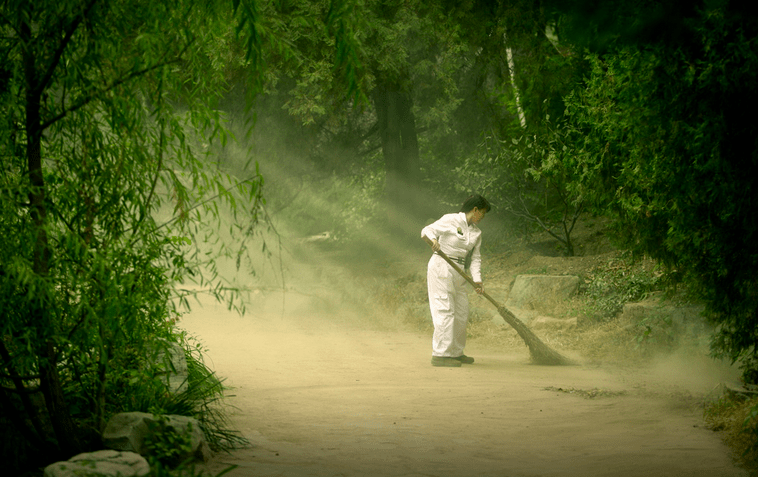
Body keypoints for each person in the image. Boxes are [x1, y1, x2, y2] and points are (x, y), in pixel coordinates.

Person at [421, 194, 490, 367]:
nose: (482, 217)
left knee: (461, 312)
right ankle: (441, 354)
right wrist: (434, 241)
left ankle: (456, 352)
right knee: (445, 309)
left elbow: (475, 258)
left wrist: (478, 280)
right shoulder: (451, 219)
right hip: (442, 266)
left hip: (460, 272)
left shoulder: (476, 232)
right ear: (474, 210)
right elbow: (427, 231)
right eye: (482, 212)